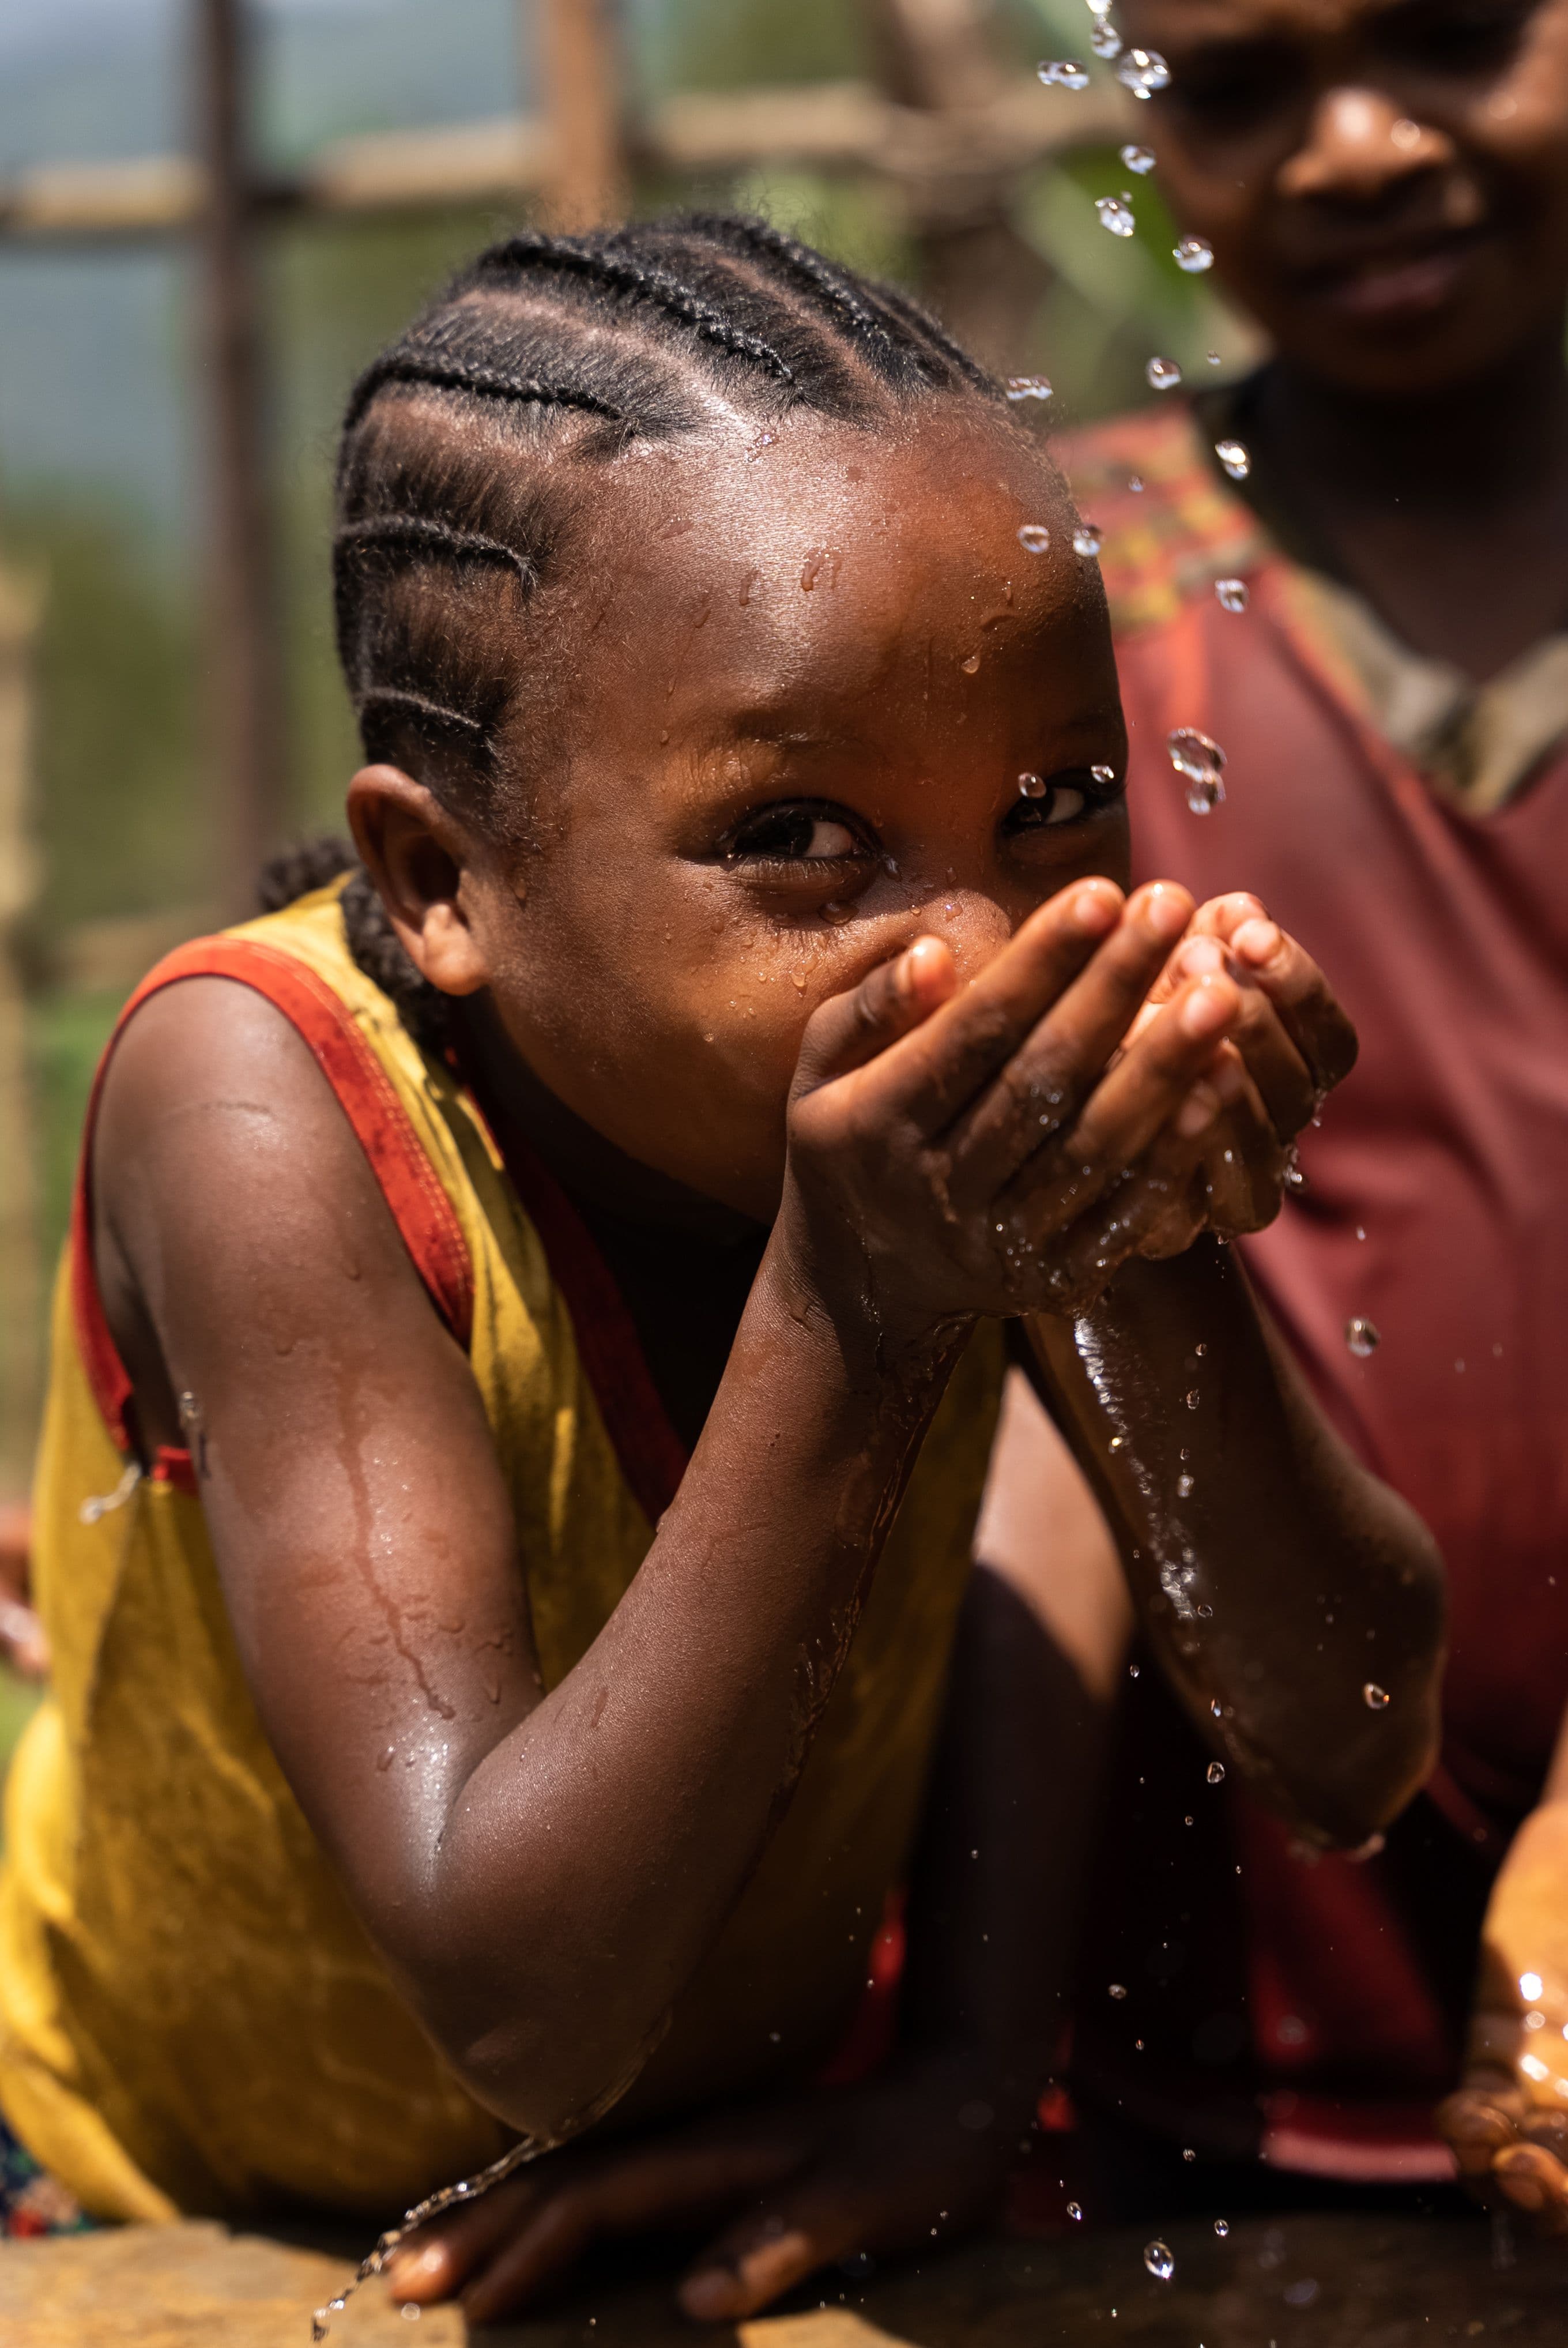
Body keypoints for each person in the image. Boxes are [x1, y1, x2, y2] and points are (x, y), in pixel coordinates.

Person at [0, 217, 1441, 2317]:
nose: (976, 953)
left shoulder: (934, 1104)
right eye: (797, 839)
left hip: (737, 2165)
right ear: (441, 874)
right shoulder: (268, 1103)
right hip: (176, 2196)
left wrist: (1145, 1254)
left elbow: (1347, 1743)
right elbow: (521, 2010)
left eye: (1057, 803)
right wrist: (855, 1311)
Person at [1041, 0, 1568, 2225]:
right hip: (1232, 2044)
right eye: (1240, 95)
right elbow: (1019, 1314)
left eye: (1453, 39)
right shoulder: (1060, 613)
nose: (1357, 150)